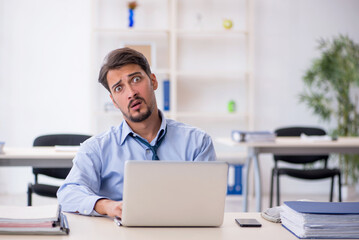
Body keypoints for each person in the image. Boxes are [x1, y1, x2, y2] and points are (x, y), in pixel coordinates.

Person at [57, 48, 216, 218]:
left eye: (136, 79)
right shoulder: (96, 148)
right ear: (114, 101)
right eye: (119, 88)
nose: (131, 93)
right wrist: (107, 205)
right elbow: (68, 194)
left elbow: (209, 202)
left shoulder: (198, 142)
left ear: (153, 81)